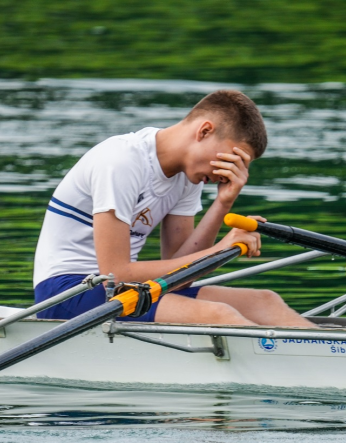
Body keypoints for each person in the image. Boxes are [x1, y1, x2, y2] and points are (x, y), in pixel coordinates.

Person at [32, 89, 315, 327]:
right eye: (231, 159)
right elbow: (115, 273)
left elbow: (180, 278)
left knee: (265, 302)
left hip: (125, 292)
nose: (229, 173)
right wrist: (221, 248)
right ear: (204, 131)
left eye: (240, 165)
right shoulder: (121, 162)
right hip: (68, 291)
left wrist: (223, 202)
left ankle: (327, 358)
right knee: (218, 315)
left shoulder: (188, 175)